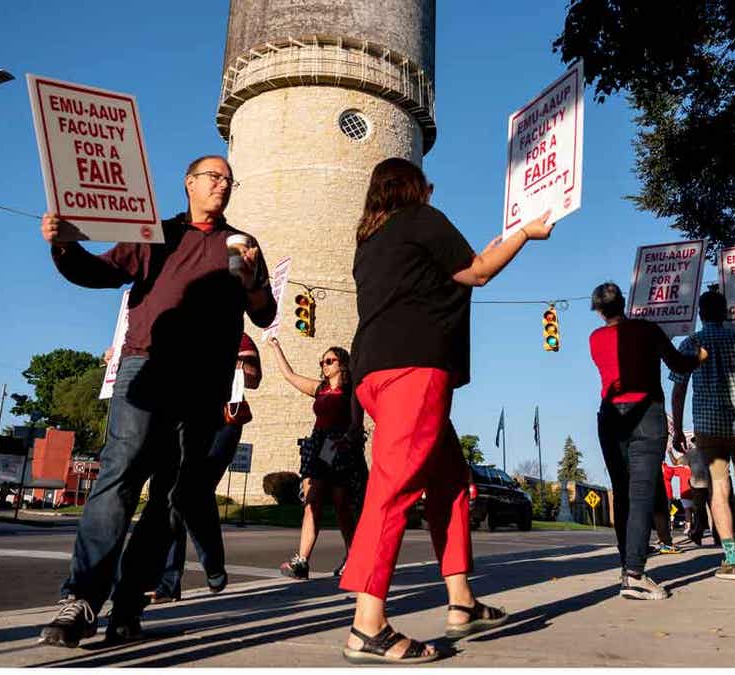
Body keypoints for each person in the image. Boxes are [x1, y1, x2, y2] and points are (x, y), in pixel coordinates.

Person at [37, 155, 276, 648]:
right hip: (147, 365)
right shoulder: (155, 233)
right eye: (213, 177)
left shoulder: (244, 244)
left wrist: (251, 281)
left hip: (206, 381)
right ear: (189, 183)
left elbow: (266, 311)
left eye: (229, 179)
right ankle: (81, 600)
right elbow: (101, 273)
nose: (222, 185)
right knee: (119, 475)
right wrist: (62, 245)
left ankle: (129, 605)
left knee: (171, 499)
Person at [338, 158, 553, 664]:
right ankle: (368, 625)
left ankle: (461, 601)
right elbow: (476, 271)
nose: (431, 192)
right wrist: (524, 233)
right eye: (427, 186)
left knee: (452, 481)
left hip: (372, 371)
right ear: (416, 188)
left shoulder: (369, 243)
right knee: (393, 490)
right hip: (414, 370)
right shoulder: (421, 219)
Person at [588, 281, 704, 600]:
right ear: (624, 302)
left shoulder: (595, 339)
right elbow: (678, 364)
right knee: (641, 494)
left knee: (623, 494)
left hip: (611, 417)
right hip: (646, 414)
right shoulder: (648, 330)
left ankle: (628, 565)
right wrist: (699, 356)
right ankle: (635, 575)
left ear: (598, 310)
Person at [670, 290, 735, 580]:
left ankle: (730, 559)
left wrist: (678, 428)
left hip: (707, 427)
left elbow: (678, 388)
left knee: (719, 487)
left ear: (701, 315)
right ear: (725, 313)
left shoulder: (691, 343)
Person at [149, 333, 262, 603]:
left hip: (221, 423)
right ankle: (167, 583)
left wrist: (233, 363)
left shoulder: (239, 338)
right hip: (182, 421)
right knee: (173, 498)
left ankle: (212, 564)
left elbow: (254, 378)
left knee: (195, 490)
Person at [267, 338, 366, 580]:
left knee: (342, 504)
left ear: (342, 364)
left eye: (329, 361)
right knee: (312, 503)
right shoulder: (320, 389)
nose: (324, 365)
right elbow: (290, 376)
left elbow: (356, 424)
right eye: (322, 361)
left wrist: (349, 439)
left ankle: (353, 557)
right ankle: (301, 562)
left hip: (340, 448)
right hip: (319, 446)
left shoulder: (352, 392)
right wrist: (276, 347)